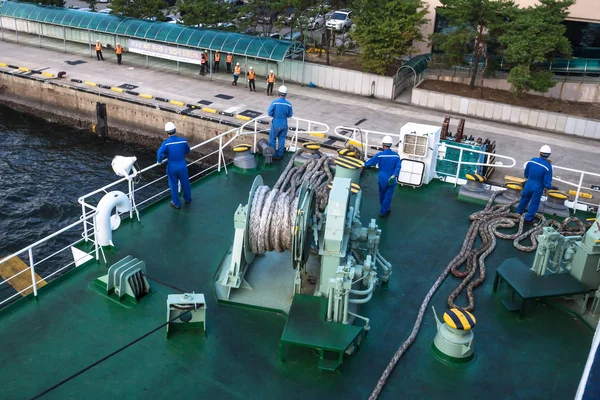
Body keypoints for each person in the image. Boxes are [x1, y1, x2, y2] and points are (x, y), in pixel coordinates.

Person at [364, 136, 402, 218]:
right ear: (391, 145)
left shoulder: (380, 155)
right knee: (388, 196)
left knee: (382, 194)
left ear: (383, 145)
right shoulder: (396, 156)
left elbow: (371, 162)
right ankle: (384, 210)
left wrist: (363, 165)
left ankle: (384, 208)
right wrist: (394, 175)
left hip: (382, 177)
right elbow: (398, 167)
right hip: (391, 178)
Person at [157, 122, 192, 210]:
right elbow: (187, 150)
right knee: (185, 183)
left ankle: (176, 203)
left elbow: (159, 153)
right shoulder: (183, 140)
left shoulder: (166, 143)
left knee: (173, 185)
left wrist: (159, 160)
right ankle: (187, 199)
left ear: (167, 132)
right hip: (182, 165)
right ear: (175, 130)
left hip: (172, 166)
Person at [516, 145, 553, 224]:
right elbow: (547, 182)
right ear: (549, 155)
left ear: (540, 152)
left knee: (524, 199)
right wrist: (548, 187)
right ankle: (528, 219)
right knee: (534, 203)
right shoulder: (548, 167)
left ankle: (518, 213)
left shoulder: (532, 160)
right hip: (538, 187)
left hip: (528, 184)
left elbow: (526, 174)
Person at [267, 85, 293, 160]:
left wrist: (275, 115)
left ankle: (274, 155)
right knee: (282, 140)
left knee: (272, 139)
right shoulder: (288, 104)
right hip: (284, 124)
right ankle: (280, 155)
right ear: (286, 94)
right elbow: (290, 114)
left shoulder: (274, 102)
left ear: (279, 93)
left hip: (276, 123)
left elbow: (269, 113)